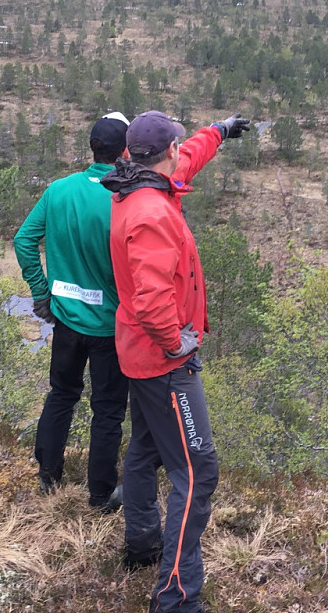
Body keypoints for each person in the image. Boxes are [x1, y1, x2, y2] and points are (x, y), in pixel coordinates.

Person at [101, 110, 250, 613]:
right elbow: (150, 298)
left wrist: (220, 133)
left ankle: (142, 543)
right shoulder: (151, 214)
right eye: (176, 146)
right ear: (162, 153)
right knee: (198, 470)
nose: (179, 152)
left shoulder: (139, 183)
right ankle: (177, 596)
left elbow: (188, 158)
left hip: (139, 355)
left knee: (145, 447)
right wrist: (174, 344)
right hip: (163, 360)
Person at [13, 112, 130, 511]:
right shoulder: (125, 199)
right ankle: (100, 495)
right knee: (108, 410)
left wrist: (41, 293)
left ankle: (48, 476)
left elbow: (24, 240)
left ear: (92, 147)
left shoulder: (58, 190)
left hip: (65, 319)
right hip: (110, 328)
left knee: (61, 394)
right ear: (125, 151)